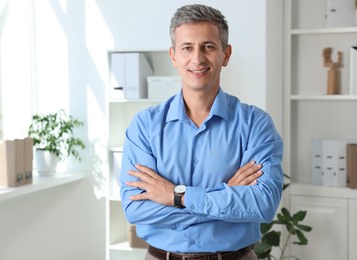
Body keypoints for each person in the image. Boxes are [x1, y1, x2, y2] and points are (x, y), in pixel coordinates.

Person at [120, 4, 283, 260]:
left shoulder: (256, 124)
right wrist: (224, 195)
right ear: (173, 56)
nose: (197, 59)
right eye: (187, 48)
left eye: (208, 46)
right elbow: (135, 209)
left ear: (225, 55)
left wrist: (175, 195)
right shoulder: (144, 126)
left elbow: (263, 204)